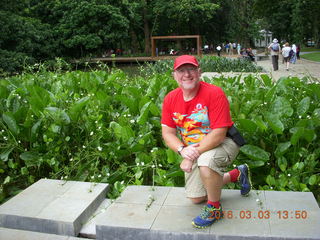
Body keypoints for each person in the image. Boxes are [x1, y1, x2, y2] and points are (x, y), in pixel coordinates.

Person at [161, 55, 252, 229]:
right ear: (174, 75)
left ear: (199, 72)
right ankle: (237, 174)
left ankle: (215, 209)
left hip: (224, 142)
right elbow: (168, 132)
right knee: (196, 198)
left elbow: (218, 134)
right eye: (181, 70)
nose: (186, 74)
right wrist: (182, 150)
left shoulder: (214, 93)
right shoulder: (170, 99)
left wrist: (191, 156)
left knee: (206, 162)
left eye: (191, 69)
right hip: (194, 149)